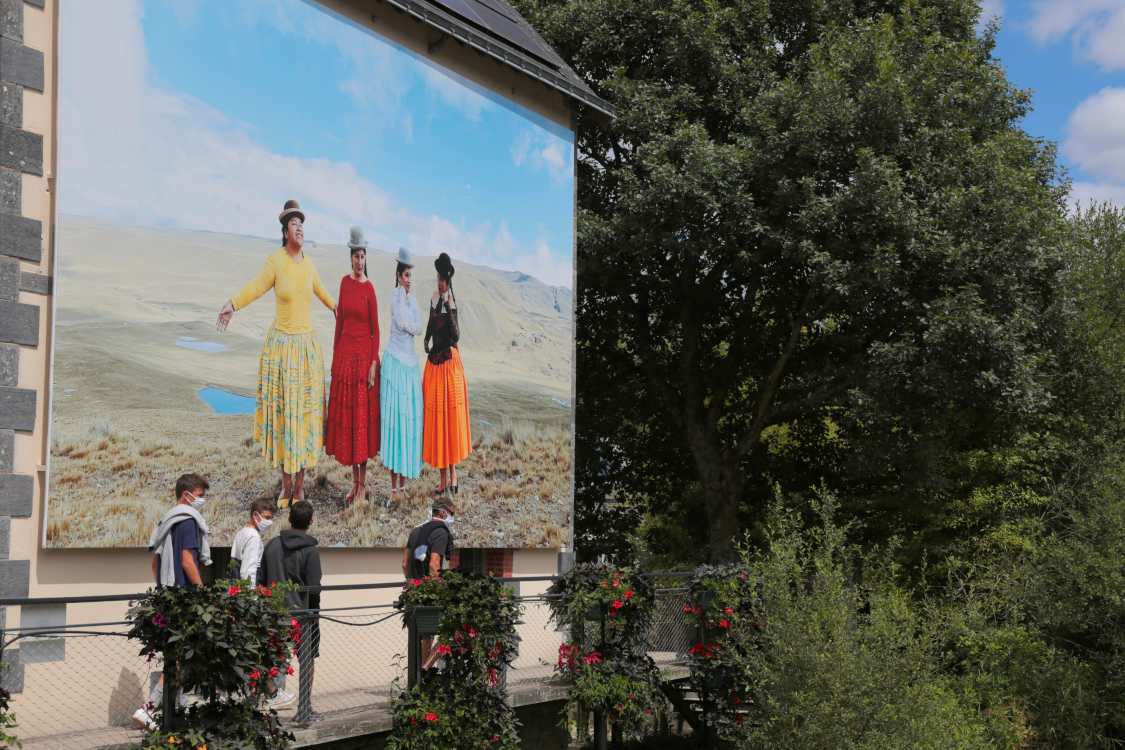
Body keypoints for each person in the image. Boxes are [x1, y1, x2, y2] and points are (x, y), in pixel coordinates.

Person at [216, 200, 336, 507]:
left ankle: (300, 488)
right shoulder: (276, 261)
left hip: (306, 351)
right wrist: (233, 303)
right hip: (282, 351)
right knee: (286, 419)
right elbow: (257, 286)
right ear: (285, 232)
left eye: (302, 224)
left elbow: (323, 292)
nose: (300, 228)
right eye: (294, 224)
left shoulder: (309, 264)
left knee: (304, 420)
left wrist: (342, 311)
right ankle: (285, 487)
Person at [133, 473, 211, 731]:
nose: (202, 501)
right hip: (185, 598)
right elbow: (187, 561)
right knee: (182, 658)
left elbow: (155, 562)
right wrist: (202, 593)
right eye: (200, 496)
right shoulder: (188, 520)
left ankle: (177, 706)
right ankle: (149, 709)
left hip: (167, 597)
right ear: (186, 495)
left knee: (175, 655)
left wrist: (163, 588)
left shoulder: (165, 519)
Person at [325, 226, 381, 503]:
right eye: (355, 255)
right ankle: (355, 484)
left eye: (362, 256)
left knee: (361, 425)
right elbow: (340, 323)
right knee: (349, 424)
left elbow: (376, 330)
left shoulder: (369, 288)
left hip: (363, 361)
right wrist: (335, 357)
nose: (359, 261)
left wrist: (373, 363)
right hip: (346, 359)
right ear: (350, 257)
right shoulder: (344, 284)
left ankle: (362, 487)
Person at [259, 499, 322, 722]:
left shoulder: (272, 545)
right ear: (311, 522)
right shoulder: (310, 550)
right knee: (308, 658)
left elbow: (262, 580)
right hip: (303, 615)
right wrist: (314, 615)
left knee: (272, 655)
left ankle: (268, 697)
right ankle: (305, 706)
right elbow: (314, 587)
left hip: (274, 612)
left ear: (288, 519)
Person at [422, 252, 471, 495]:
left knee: (448, 423)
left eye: (442, 280)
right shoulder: (433, 298)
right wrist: (426, 339)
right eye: (438, 278)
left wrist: (449, 305)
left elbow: (456, 335)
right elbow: (431, 323)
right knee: (438, 422)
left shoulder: (451, 302)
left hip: (448, 366)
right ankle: (442, 479)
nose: (439, 283)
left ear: (448, 282)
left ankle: (453, 475)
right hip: (435, 365)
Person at [380, 247, 424, 504]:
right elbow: (400, 322)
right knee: (395, 422)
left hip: (409, 365)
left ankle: (404, 484)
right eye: (406, 275)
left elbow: (419, 328)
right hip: (395, 362)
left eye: (410, 275)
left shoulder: (414, 301)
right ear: (399, 276)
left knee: (408, 423)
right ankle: (393, 486)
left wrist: (410, 327)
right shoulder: (395, 296)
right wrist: (410, 327)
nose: (409, 279)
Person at [402, 498, 455, 669]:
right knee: (453, 628)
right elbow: (434, 565)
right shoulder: (440, 532)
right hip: (430, 592)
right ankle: (424, 672)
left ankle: (420, 675)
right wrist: (439, 593)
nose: (452, 518)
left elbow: (405, 564)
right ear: (443, 512)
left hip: (415, 592)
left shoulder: (416, 531)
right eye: (452, 514)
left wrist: (413, 585)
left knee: (424, 635)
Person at [230, 497, 276, 587]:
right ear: (255, 514)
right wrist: (251, 597)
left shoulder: (242, 532)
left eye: (271, 518)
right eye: (267, 517)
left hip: (237, 587)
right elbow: (249, 570)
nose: (270, 522)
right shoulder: (253, 536)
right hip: (248, 593)